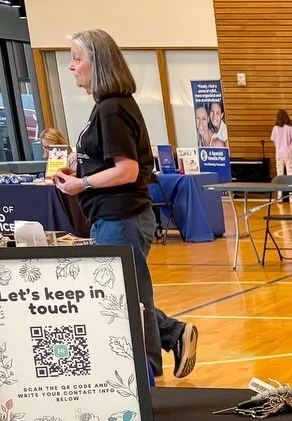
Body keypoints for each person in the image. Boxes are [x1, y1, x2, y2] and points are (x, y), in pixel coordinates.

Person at [52, 28, 198, 378]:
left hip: (121, 217)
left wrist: (81, 183)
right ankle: (167, 345)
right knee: (128, 293)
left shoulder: (112, 109)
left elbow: (128, 169)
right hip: (114, 216)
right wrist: (79, 165)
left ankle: (149, 370)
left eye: (77, 58)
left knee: (127, 297)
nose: (71, 66)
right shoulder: (106, 107)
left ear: (97, 63)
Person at [271, 109, 292, 182]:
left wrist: (278, 147)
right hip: (288, 154)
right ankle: (291, 193)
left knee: (280, 174)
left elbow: (274, 141)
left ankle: (280, 193)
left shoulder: (275, 128)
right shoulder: (290, 128)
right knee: (290, 174)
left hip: (279, 154)